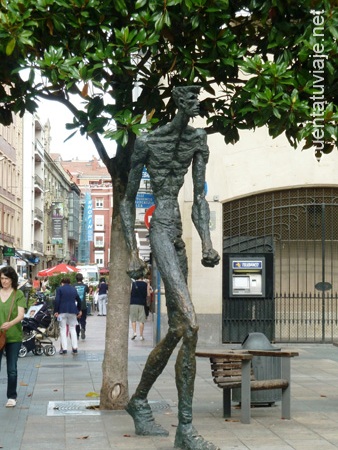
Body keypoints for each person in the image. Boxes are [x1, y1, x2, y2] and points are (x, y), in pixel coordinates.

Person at [121, 86, 220, 450]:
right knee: (193, 323)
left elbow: (199, 199)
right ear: (177, 102)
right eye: (190, 98)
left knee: (179, 327)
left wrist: (207, 243)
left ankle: (139, 399)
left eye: (198, 99)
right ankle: (186, 430)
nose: (197, 104)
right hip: (158, 229)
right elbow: (128, 201)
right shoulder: (148, 142)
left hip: (176, 232)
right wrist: (133, 252)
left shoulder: (198, 140)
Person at [0, 266, 26, 407]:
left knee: (11, 368)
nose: (4, 281)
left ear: (12, 279)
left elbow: (21, 315)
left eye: (7, 279)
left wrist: (10, 324)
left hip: (13, 336)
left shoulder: (18, 294)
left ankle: (11, 396)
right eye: (2, 278)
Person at [53, 278, 82, 355]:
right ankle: (75, 348)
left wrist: (55, 311)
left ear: (62, 283)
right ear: (69, 283)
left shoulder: (59, 289)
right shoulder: (73, 289)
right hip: (73, 311)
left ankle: (64, 349)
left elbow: (57, 300)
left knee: (63, 329)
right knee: (72, 329)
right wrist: (79, 310)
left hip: (62, 311)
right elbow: (79, 300)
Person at [130, 276, 151, 341]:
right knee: (142, 321)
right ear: (143, 277)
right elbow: (148, 294)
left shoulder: (133, 284)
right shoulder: (145, 284)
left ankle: (134, 332)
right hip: (142, 303)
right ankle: (141, 336)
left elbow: (130, 292)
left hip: (133, 303)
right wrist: (148, 284)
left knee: (133, 319)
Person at [73, 273, 89, 340]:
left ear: (76, 279)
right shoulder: (85, 286)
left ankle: (77, 334)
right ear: (82, 278)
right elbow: (87, 292)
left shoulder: (73, 286)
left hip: (76, 306)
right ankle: (83, 328)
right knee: (83, 319)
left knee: (76, 320)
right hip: (83, 305)